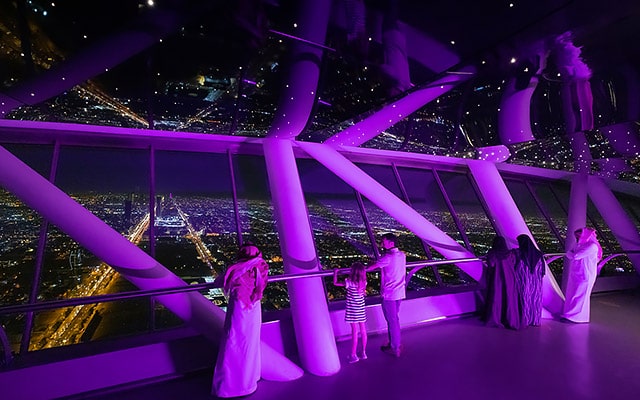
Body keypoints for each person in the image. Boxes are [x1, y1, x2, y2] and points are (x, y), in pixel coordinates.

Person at [212, 243, 269, 398]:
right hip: (254, 309)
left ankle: (230, 387)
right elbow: (261, 287)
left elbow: (219, 282)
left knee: (233, 342)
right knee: (250, 344)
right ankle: (249, 381)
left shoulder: (236, 269)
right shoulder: (261, 267)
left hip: (238, 309)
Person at [366, 233, 406, 357]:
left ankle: (395, 347)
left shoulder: (387, 258)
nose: (382, 243)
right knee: (394, 320)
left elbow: (369, 268)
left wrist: (368, 265)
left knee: (392, 321)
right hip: (399, 293)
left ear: (391, 242)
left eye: (384, 241)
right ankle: (394, 343)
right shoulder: (402, 255)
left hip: (389, 295)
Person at [561, 227, 603, 323]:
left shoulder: (592, 246)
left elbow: (575, 255)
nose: (577, 238)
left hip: (586, 275)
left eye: (579, 236)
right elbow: (571, 254)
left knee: (580, 296)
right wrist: (571, 254)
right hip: (576, 273)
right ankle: (571, 315)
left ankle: (575, 317)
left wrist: (571, 254)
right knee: (573, 294)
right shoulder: (579, 245)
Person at [333, 262, 368, 363]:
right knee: (363, 331)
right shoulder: (364, 282)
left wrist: (335, 273)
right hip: (361, 309)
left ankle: (353, 355)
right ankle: (363, 352)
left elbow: (335, 283)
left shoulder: (349, 282)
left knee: (354, 332)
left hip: (352, 310)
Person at [484, 235, 521, 330]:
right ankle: (509, 319)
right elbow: (514, 263)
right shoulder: (510, 254)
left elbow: (491, 264)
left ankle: (497, 318)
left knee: (497, 297)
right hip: (510, 278)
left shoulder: (493, 254)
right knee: (509, 297)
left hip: (497, 278)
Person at [515, 234, 546, 327]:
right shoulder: (538, 254)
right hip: (536, 282)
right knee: (535, 300)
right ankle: (535, 320)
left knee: (524, 299)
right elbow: (542, 269)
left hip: (524, 281)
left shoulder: (519, 253)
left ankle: (525, 319)